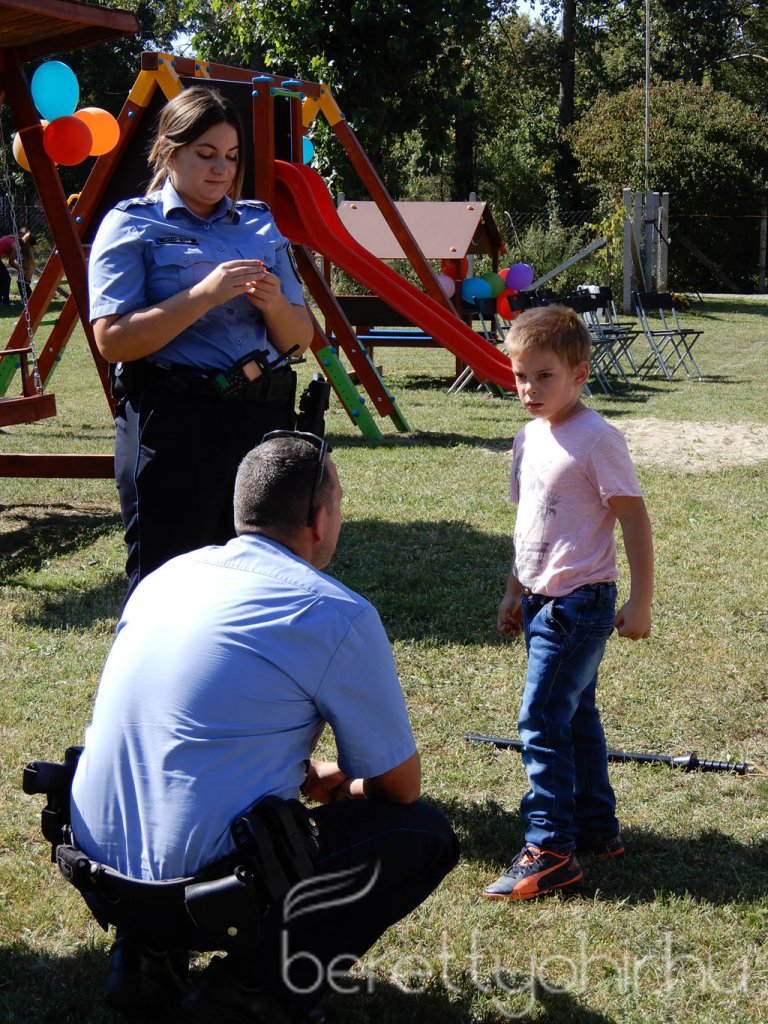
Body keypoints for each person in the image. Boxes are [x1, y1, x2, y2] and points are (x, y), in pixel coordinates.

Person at [69, 432, 459, 1022]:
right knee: (423, 836)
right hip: (205, 892)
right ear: (319, 518)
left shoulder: (165, 578)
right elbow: (398, 790)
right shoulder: (335, 613)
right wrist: (342, 785)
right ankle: (249, 991)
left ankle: (145, 957)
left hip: (99, 869)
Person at [87, 85, 314, 598]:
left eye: (231, 157)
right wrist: (202, 296)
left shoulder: (259, 223)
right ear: (169, 152)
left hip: (261, 422)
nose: (222, 170)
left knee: (263, 581)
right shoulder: (132, 224)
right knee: (167, 584)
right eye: (206, 154)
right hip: (174, 422)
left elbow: (300, 340)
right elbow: (113, 341)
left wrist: (275, 304)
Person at [483, 305, 653, 902]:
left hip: (580, 604)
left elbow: (635, 521)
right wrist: (513, 589)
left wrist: (641, 601)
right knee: (575, 716)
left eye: (544, 375)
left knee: (541, 719)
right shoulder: (528, 437)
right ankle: (594, 828)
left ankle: (550, 848)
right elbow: (529, 524)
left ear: (579, 375)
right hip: (537, 601)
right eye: (520, 375)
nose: (529, 389)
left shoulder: (598, 438)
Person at [9, 228, 36, 298]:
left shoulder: (27, 249)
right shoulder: (22, 244)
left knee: (24, 283)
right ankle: (27, 298)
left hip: (27, 266)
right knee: (21, 282)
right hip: (25, 265)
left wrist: (24, 271)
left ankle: (29, 298)